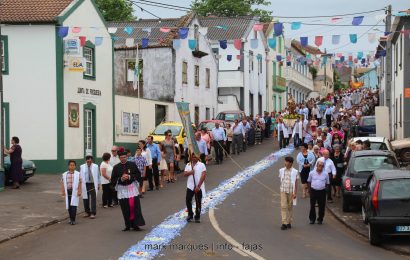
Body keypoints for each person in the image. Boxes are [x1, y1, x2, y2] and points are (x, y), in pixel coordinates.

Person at [111, 150, 145, 231]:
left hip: (131, 188)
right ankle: (128, 225)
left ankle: (136, 225)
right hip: (122, 190)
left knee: (134, 207)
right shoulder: (116, 167)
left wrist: (129, 177)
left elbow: (138, 174)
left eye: (124, 157)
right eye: (121, 158)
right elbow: (113, 179)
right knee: (125, 207)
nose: (123, 159)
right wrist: (121, 178)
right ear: (119, 158)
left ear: (127, 157)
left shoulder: (132, 164)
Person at [184, 153, 206, 223]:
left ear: (198, 157)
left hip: (198, 187)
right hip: (190, 186)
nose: (194, 158)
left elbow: (204, 175)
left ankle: (197, 216)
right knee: (188, 200)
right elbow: (184, 174)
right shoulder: (188, 165)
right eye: (192, 157)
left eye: (195, 157)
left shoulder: (201, 165)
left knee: (198, 202)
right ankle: (190, 214)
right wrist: (191, 172)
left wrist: (198, 186)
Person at [278, 157, 299, 230]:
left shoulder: (295, 171)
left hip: (291, 191)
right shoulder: (281, 170)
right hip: (283, 190)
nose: (285, 163)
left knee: (290, 207)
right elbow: (281, 179)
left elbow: (296, 183)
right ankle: (284, 223)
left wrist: (295, 193)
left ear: (290, 163)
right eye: (285, 161)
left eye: (287, 162)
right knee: (283, 206)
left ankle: (289, 222)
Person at [308, 158, 329, 225]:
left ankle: (320, 219)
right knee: (312, 205)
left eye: (322, 166)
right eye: (319, 165)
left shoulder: (326, 174)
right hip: (313, 190)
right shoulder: (311, 173)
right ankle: (312, 219)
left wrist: (326, 192)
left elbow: (327, 183)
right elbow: (309, 181)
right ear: (317, 166)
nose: (320, 167)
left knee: (322, 206)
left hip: (322, 191)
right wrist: (309, 190)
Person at [61, 160, 82, 225]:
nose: (72, 166)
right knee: (69, 206)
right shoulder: (65, 174)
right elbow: (62, 183)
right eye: (70, 165)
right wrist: (63, 191)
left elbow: (80, 183)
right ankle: (70, 218)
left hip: (74, 192)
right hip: (68, 191)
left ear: (75, 166)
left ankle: (73, 219)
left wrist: (79, 191)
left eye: (73, 165)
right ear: (68, 166)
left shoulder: (78, 174)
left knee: (74, 206)